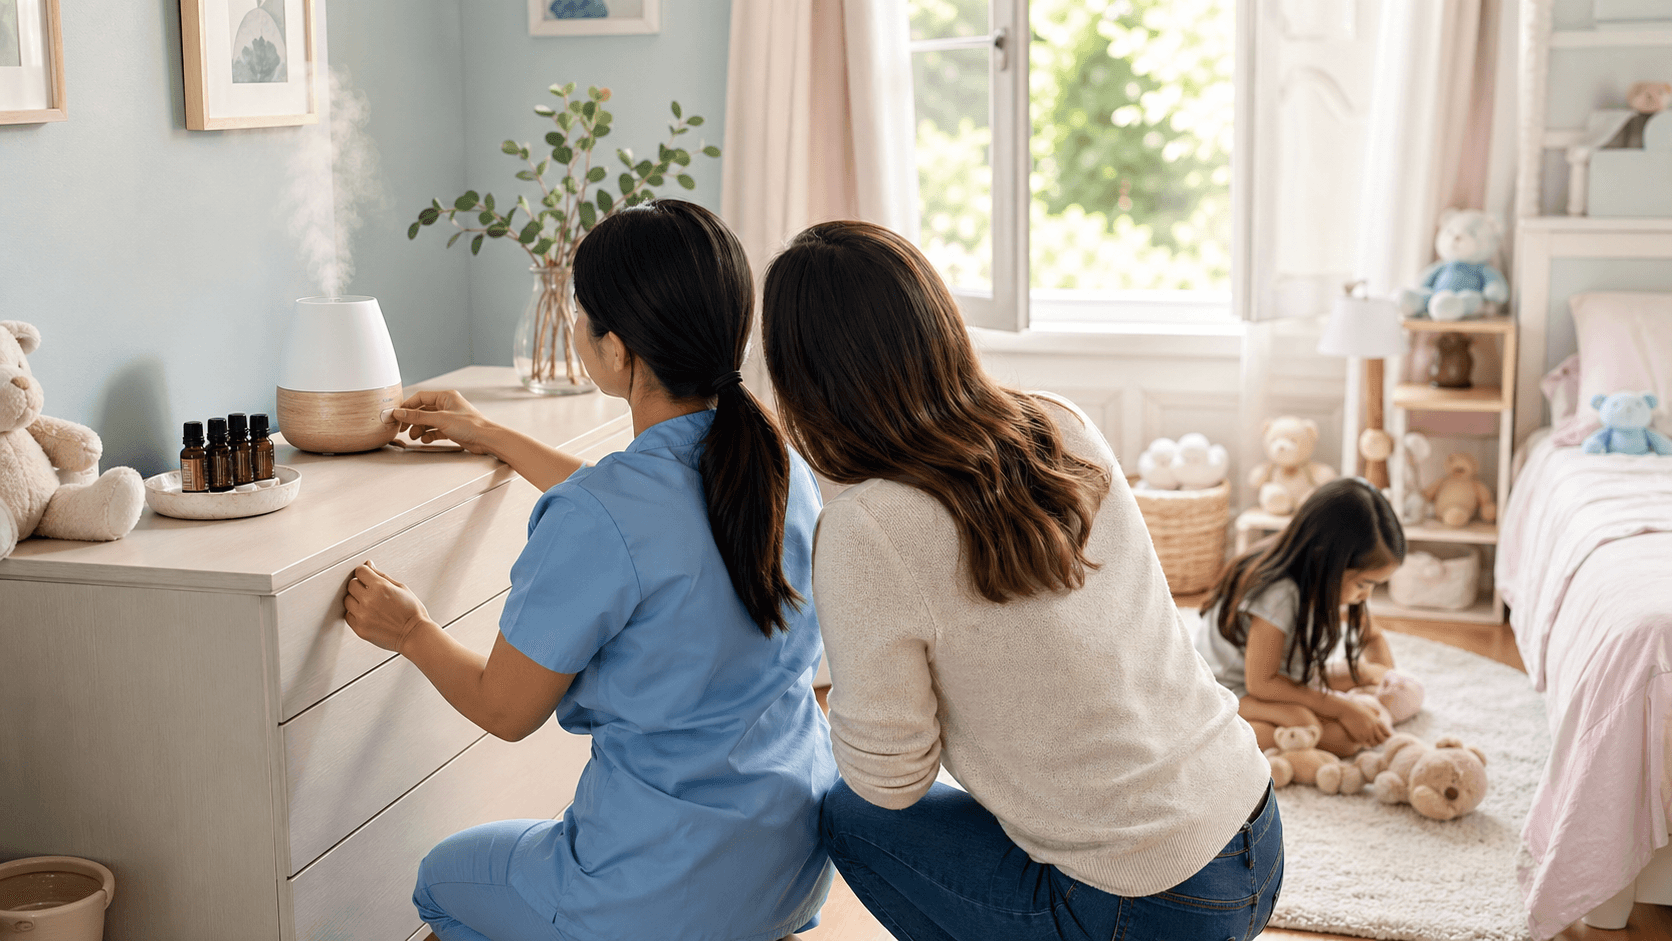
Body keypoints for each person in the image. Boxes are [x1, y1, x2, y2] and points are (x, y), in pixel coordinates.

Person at [761, 220, 1280, 941]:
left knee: (848, 815)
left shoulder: (866, 528)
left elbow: (890, 781)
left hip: (1151, 904)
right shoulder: (1059, 420)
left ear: (805, 380)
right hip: (1253, 830)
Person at [342, 199, 836, 941]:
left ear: (618, 350)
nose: (574, 326)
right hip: (788, 871)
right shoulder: (778, 468)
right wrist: (491, 433)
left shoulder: (606, 515)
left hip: (660, 893)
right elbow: (644, 520)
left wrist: (410, 629)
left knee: (440, 882)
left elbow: (505, 710)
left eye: (581, 313)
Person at [1196, 477, 1408, 758]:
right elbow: (1261, 683)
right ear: (1327, 561)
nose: (1366, 596)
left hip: (1278, 677)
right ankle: (1225, 744)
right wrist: (1342, 708)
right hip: (1226, 692)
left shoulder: (1317, 575)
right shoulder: (1278, 594)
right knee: (1330, 734)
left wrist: (1364, 684)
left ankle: (1301, 722)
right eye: (1362, 584)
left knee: (1368, 675)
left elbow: (1375, 649)